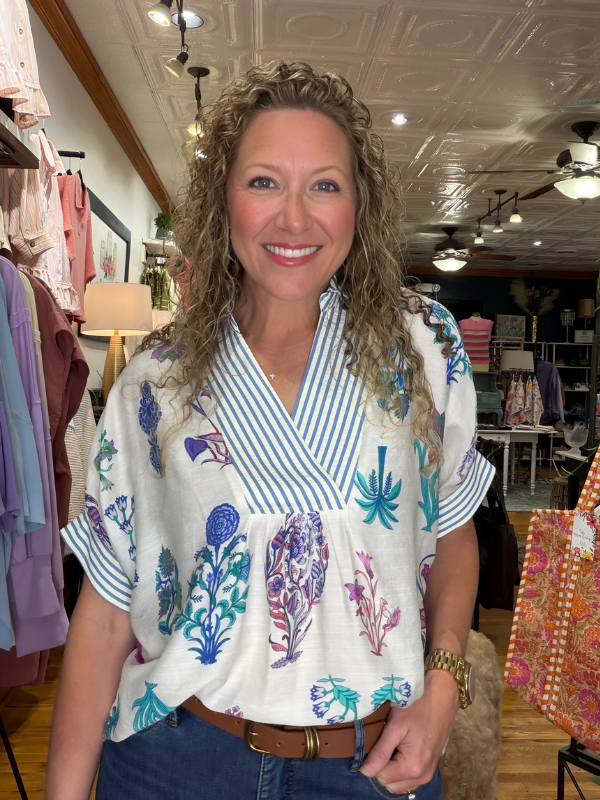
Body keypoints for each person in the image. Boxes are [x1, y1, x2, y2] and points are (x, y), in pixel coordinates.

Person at [46, 61, 494, 800]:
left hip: (371, 765)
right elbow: (106, 610)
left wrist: (443, 683)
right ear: (223, 203)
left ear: (360, 205)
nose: (294, 218)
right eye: (263, 183)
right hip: (176, 758)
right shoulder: (155, 382)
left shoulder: (424, 347)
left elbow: (452, 530)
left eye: (324, 184)